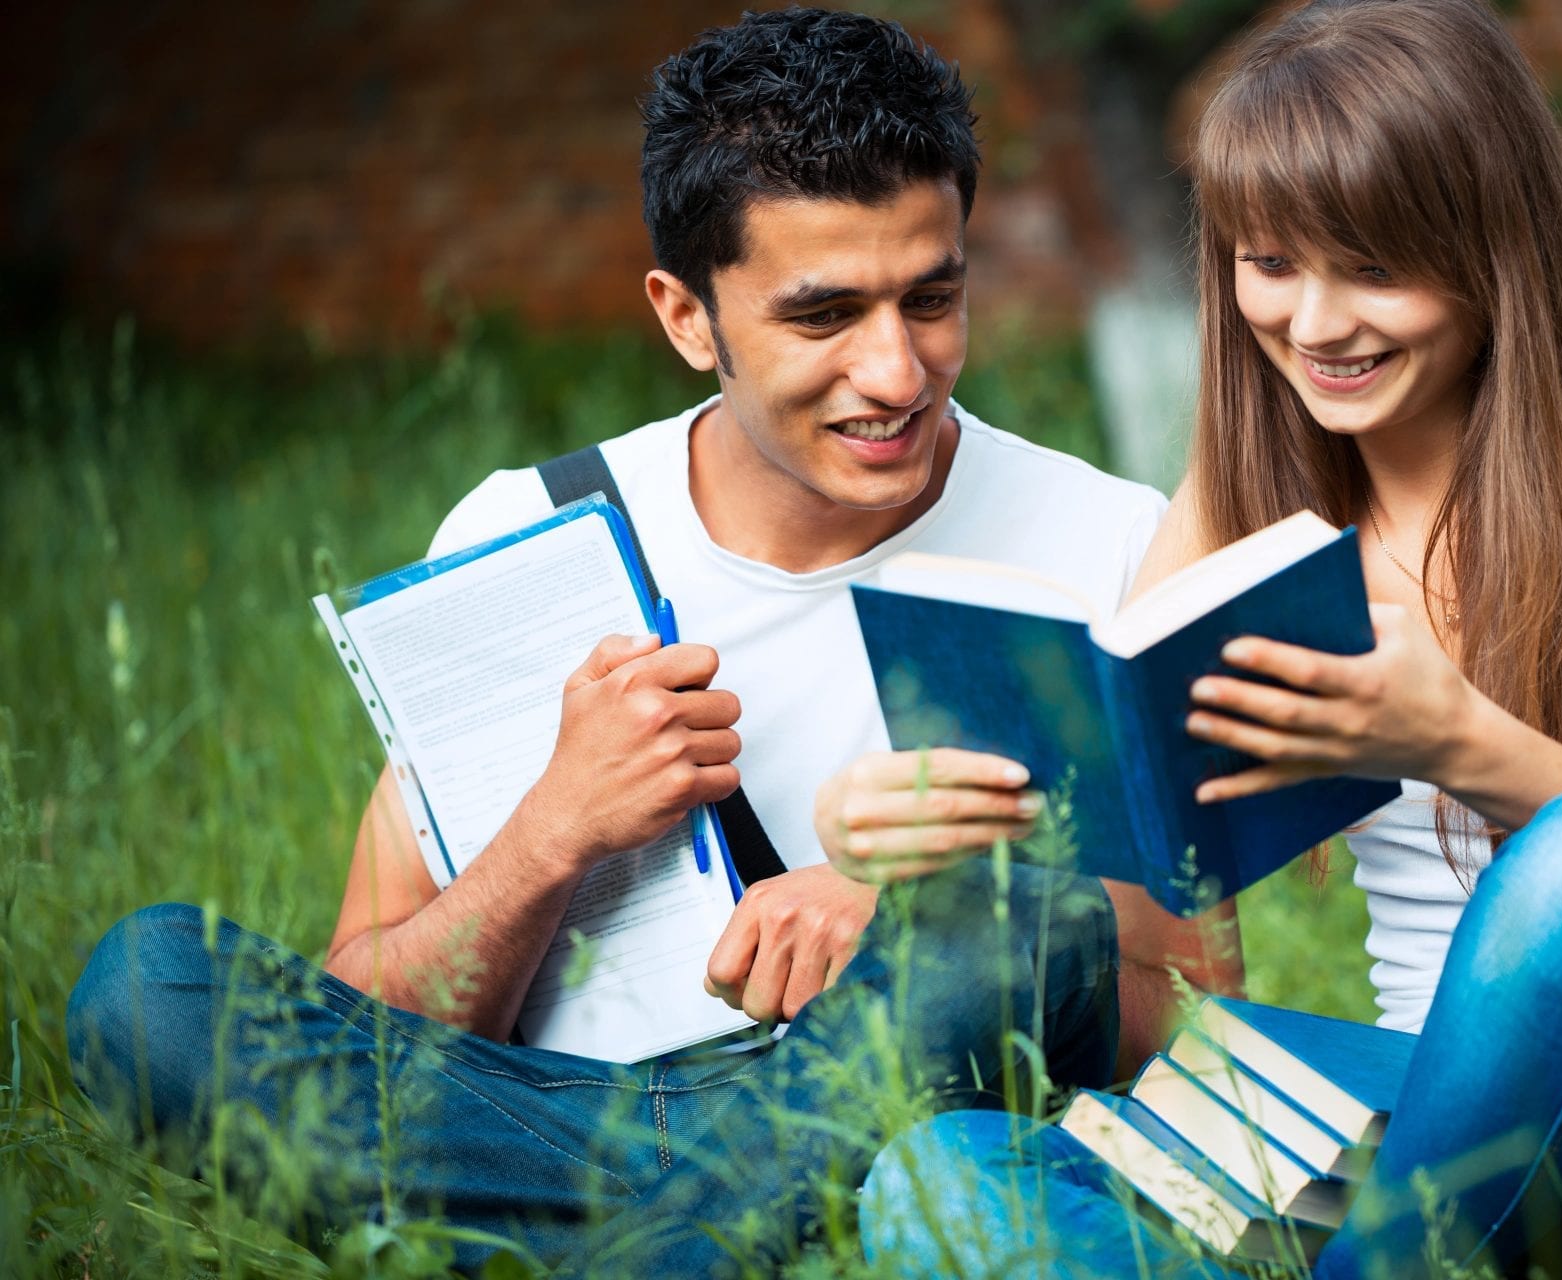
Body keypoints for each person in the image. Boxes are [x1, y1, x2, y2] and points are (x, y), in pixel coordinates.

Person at [63, 10, 1239, 1275]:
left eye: (933, 297)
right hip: (547, 1126)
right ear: (688, 317)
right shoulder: (533, 533)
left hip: (894, 1107)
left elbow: (1189, 1023)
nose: (897, 370)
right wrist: (553, 828)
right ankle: (712, 1236)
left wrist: (910, 922)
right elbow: (383, 1019)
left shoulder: (1108, 543)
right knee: (149, 986)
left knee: (1014, 925)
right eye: (824, 314)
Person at [856, 0, 1562, 1275]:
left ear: (1496, 246)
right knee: (941, 1178)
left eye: (1373, 267)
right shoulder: (1253, 489)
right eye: (1270, 262)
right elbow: (1156, 929)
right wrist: (957, 832)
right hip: (1425, 1123)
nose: (1314, 324)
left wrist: (1465, 743)